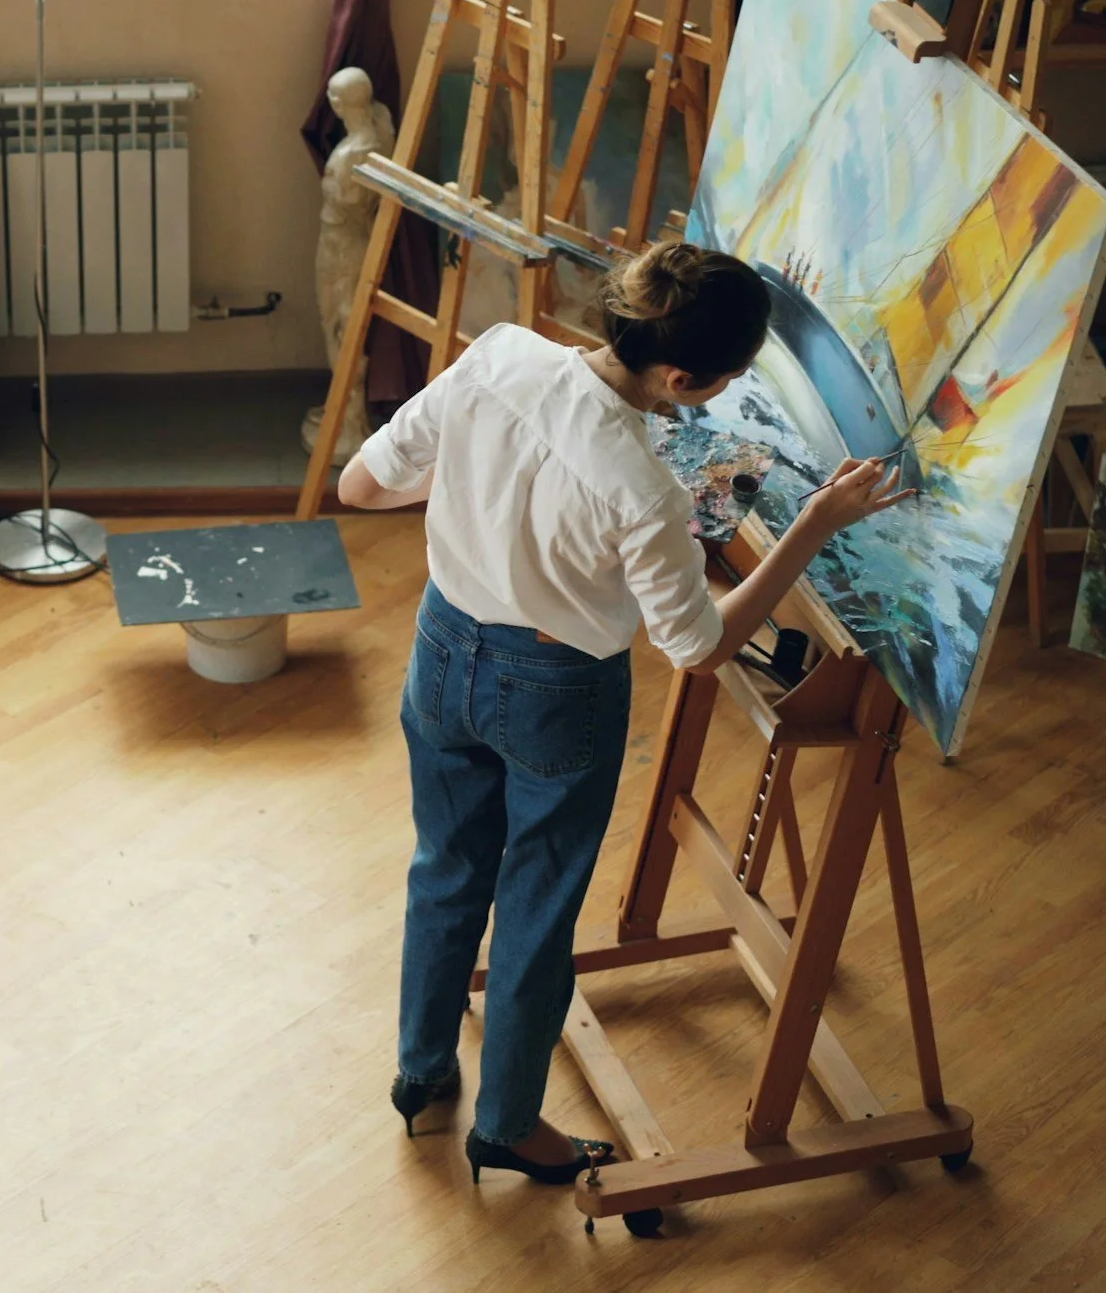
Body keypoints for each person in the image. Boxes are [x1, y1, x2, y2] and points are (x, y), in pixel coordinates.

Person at [335, 241, 913, 1186]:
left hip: (440, 656)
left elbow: (362, 486)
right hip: (556, 693)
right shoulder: (643, 490)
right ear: (682, 376)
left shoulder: (498, 353)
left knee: (444, 868)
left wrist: (488, 505)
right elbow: (696, 645)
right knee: (534, 906)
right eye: (725, 380)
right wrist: (813, 524)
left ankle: (421, 1070)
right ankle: (509, 1125)